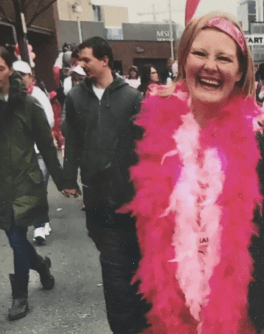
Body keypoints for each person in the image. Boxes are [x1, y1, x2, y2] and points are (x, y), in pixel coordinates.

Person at [122, 13, 264, 333]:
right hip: (162, 311)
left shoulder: (259, 137)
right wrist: (129, 320)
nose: (210, 66)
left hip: (238, 311)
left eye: (223, 58)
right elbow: (120, 236)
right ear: (184, 59)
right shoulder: (141, 129)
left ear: (239, 71)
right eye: (200, 53)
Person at [61, 36, 150, 334]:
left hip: (128, 192)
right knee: (107, 254)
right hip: (94, 191)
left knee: (130, 258)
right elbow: (71, 139)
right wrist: (67, 177)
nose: (81, 65)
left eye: (86, 60)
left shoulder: (132, 97)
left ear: (104, 60)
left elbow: (145, 142)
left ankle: (138, 317)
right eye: (79, 60)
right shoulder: (75, 98)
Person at [0, 46, 63, 320]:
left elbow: (47, 147)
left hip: (26, 182)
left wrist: (62, 181)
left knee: (16, 239)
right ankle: (40, 265)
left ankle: (20, 297)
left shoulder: (27, 104)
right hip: (1, 185)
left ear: (9, 70)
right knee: (14, 237)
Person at [12, 60, 55, 244]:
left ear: (31, 77)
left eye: (23, 75)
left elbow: (50, 121)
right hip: (20, 153)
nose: (20, 79)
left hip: (38, 151)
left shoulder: (38, 96)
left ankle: (40, 226)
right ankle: (35, 221)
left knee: (39, 188)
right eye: (16, 75)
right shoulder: (8, 97)